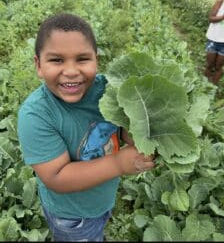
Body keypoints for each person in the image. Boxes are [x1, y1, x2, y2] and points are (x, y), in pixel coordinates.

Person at [17, 13, 155, 242]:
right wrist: (119, 163)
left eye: (82, 59)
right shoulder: (36, 115)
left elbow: (123, 129)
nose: (71, 71)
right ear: (38, 65)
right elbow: (56, 177)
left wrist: (140, 132)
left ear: (97, 60)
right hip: (72, 216)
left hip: (102, 197)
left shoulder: (110, 91)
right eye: (57, 60)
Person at [204, 0, 224, 84]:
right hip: (213, 39)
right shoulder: (221, 0)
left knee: (219, 67)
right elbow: (211, 18)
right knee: (209, 65)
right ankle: (203, 87)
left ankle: (212, 88)